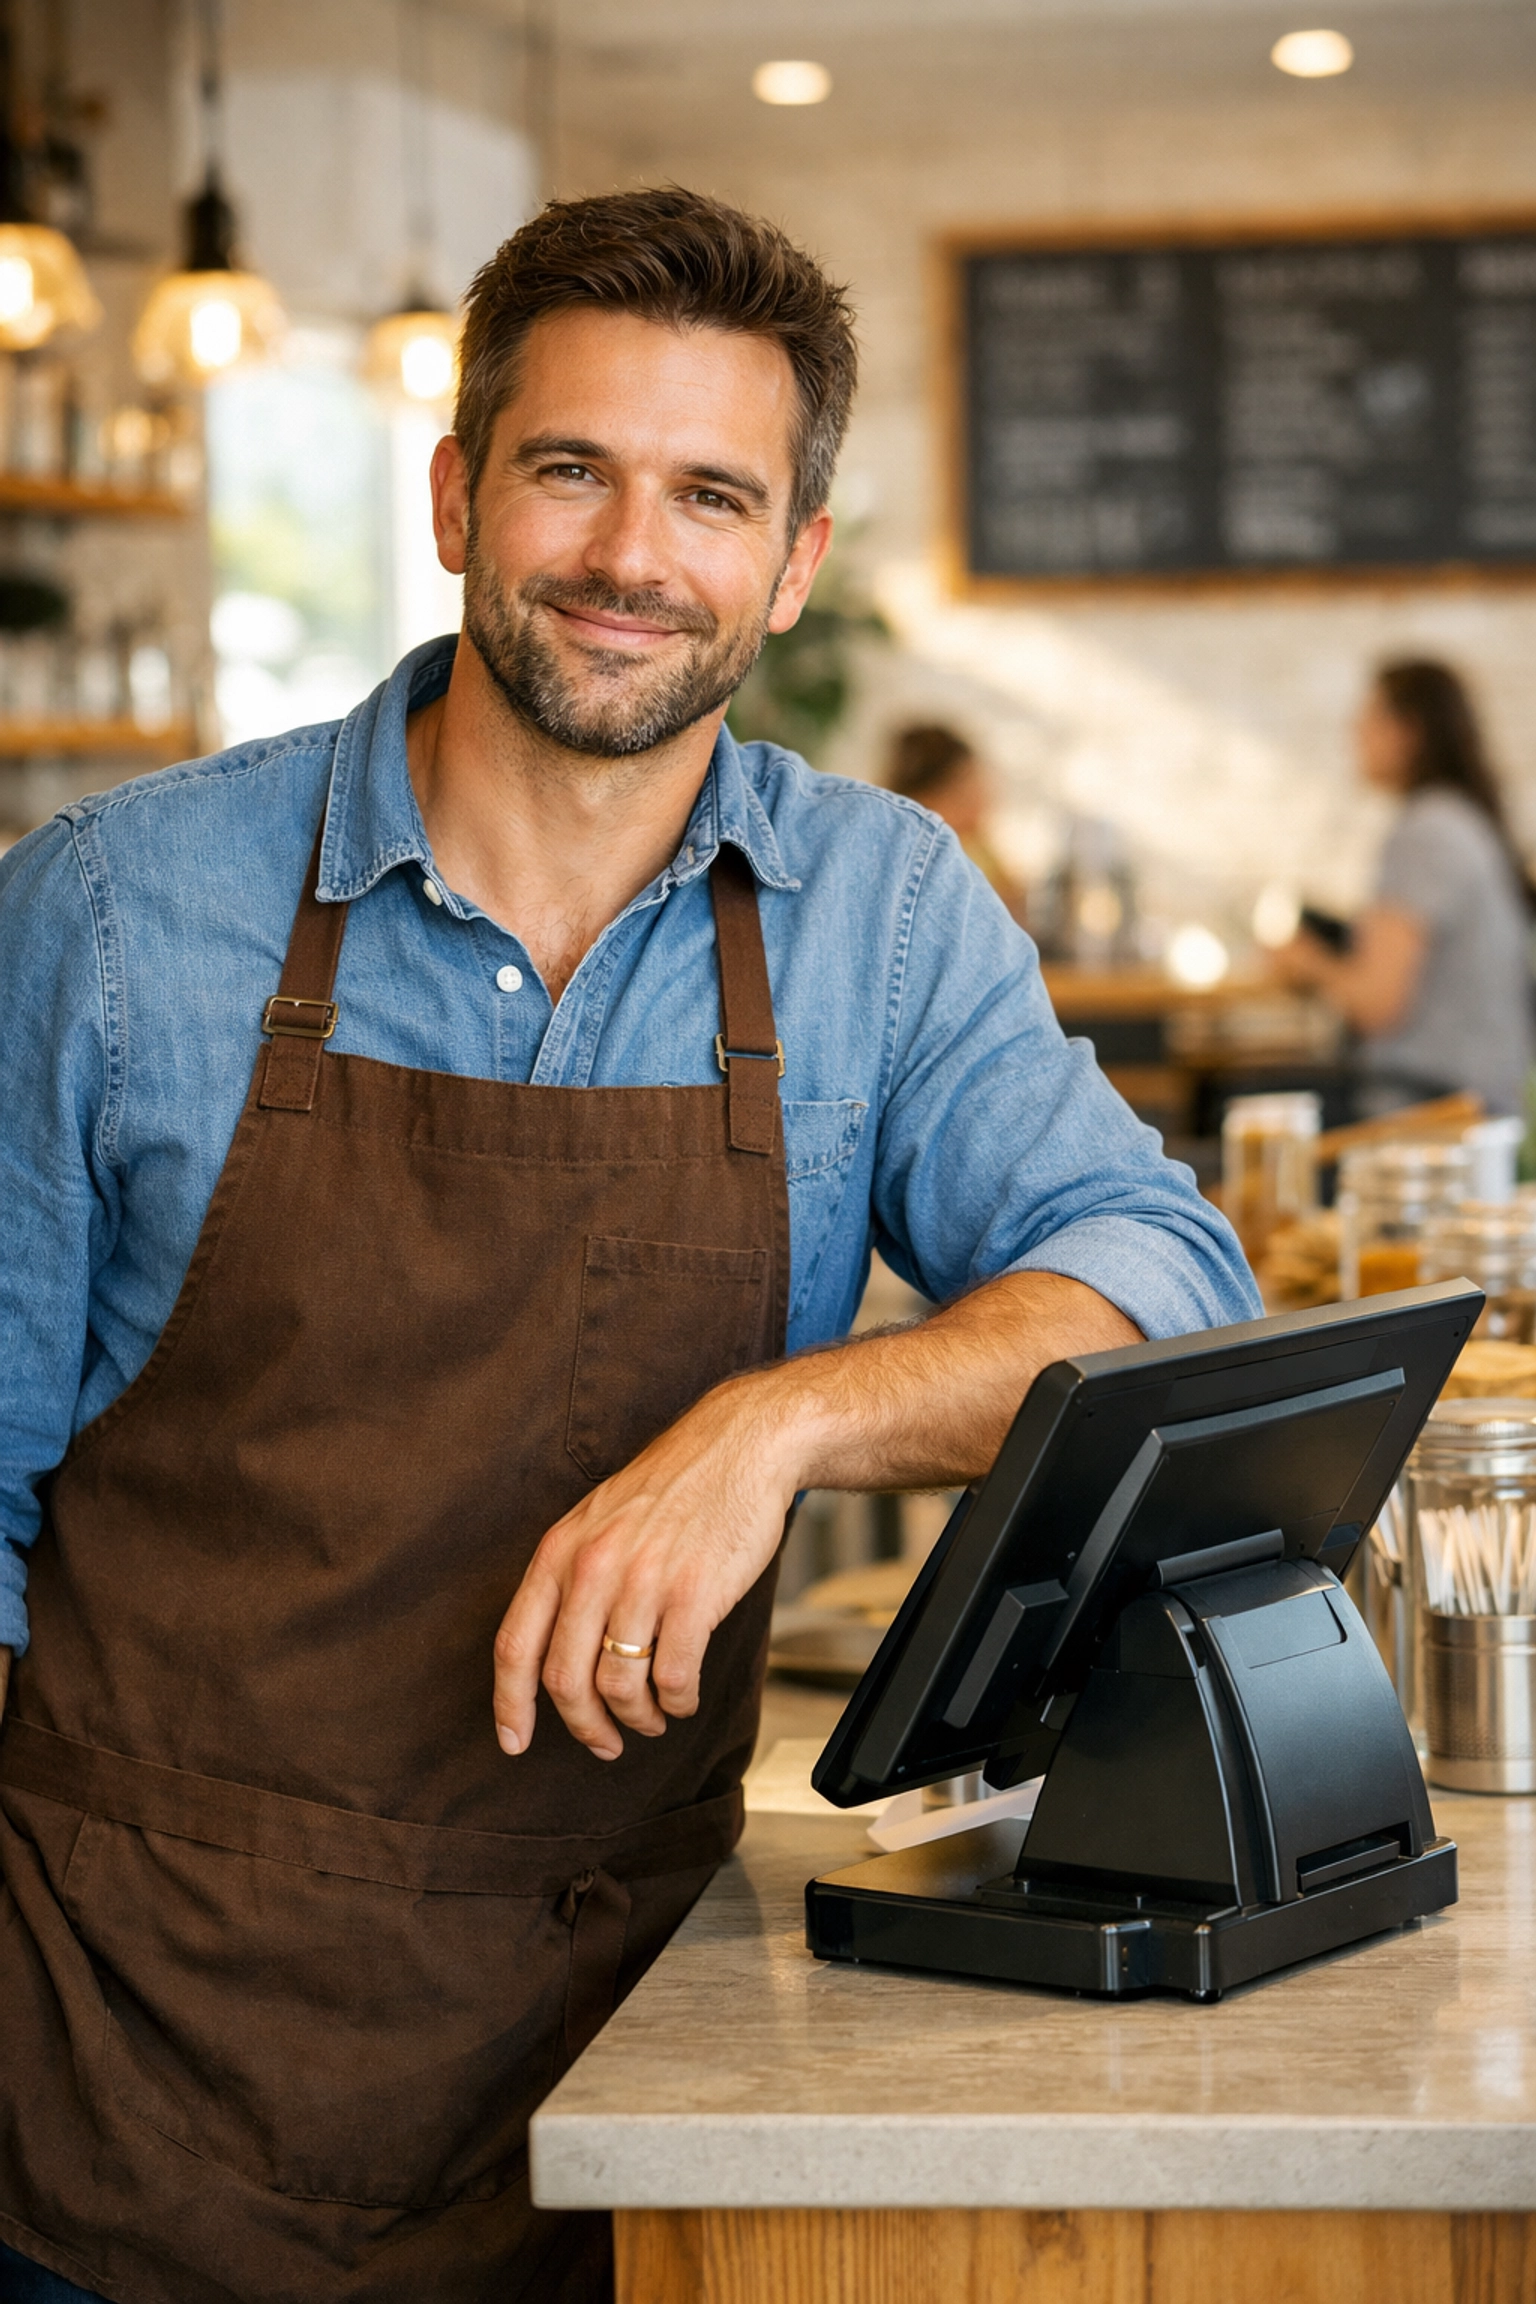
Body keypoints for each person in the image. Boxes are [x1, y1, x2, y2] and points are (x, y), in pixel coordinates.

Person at [0, 188, 1256, 2304]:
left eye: (709, 495)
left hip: (638, 2048)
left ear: (794, 561)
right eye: (569, 468)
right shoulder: (112, 914)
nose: (627, 555)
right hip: (133, 2066)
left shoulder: (879, 914)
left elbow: (1160, 1276)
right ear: (454, 496)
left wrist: (773, 1428)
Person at [1273, 659, 1534, 1118]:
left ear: (1408, 732)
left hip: (1435, 1108)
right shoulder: (1464, 819)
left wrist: (1307, 962)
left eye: (1369, 717)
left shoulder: (1425, 832)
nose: (1354, 731)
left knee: (1249, 1104)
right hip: (1485, 1100)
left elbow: (1378, 1003)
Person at [885, 721, 1025, 914]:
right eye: (965, 793)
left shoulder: (976, 844)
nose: (982, 799)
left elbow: (1013, 902)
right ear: (927, 796)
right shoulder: (918, 859)